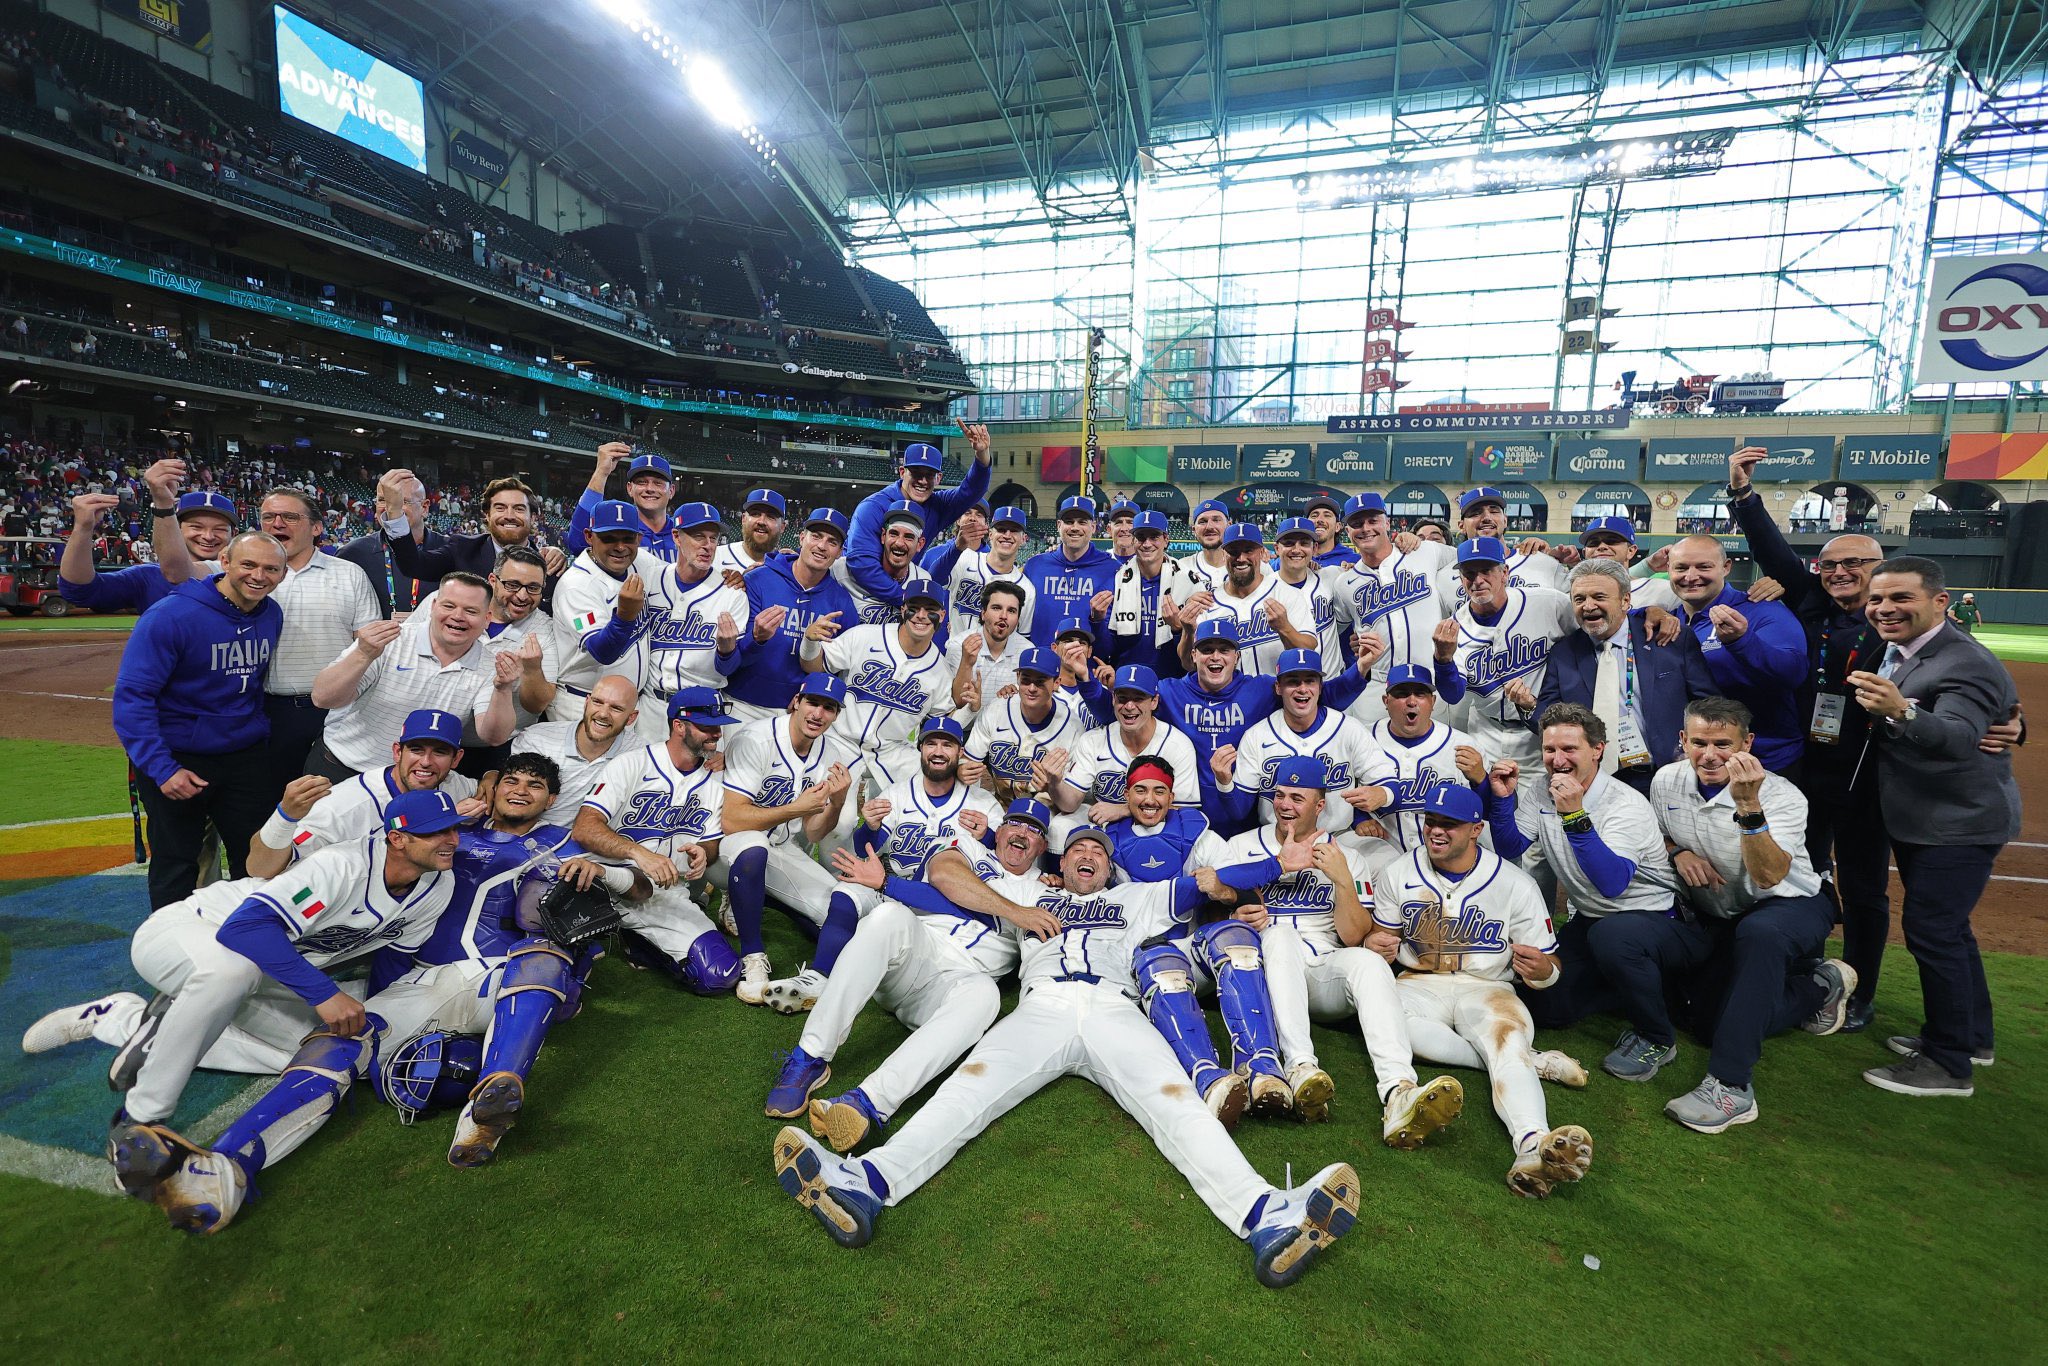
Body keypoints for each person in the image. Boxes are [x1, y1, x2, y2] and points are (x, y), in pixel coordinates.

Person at [768, 827, 1362, 1289]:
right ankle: (867, 1181)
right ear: (1062, 862)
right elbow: (947, 873)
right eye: (1078, 849)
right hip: (1040, 1007)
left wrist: (1281, 865)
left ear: (1110, 866)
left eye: (1099, 853)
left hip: (1114, 1009)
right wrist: (1019, 909)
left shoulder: (1137, 896)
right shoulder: (1026, 890)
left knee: (1176, 1104)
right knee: (966, 1089)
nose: (1088, 857)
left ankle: (1265, 1215)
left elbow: (1209, 882)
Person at [94, 788, 462, 1230]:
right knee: (233, 973)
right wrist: (324, 995)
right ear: (398, 838)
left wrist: (373, 1028)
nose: (451, 840)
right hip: (190, 932)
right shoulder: (342, 866)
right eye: (435, 833)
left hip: (263, 972)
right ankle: (138, 1122)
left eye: (453, 828)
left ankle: (134, 1020)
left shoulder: (438, 883)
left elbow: (395, 957)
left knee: (325, 1054)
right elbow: (245, 930)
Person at [763, 801, 1058, 1149]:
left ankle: (868, 1102)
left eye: (1034, 830)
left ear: (1041, 847)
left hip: (953, 986)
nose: (1023, 833)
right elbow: (945, 878)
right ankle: (810, 1056)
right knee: (888, 916)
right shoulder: (967, 846)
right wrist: (1017, 914)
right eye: (1015, 824)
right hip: (915, 952)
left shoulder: (1047, 892)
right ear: (1000, 831)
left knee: (986, 996)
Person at [1368, 782, 1595, 1199]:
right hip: (1417, 984)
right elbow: (1381, 938)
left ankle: (1533, 1146)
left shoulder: (1515, 884)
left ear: (1476, 829)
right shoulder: (1399, 873)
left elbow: (1550, 968)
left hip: (1488, 989)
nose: (1436, 831)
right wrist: (1374, 945)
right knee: (1388, 1023)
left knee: (1506, 1042)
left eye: (1449, 825)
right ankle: (1536, 1061)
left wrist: (1544, 970)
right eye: (1430, 821)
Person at [1849, 558, 2021, 1098]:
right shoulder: (1903, 649)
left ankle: (1948, 1065)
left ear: (1940, 602)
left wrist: (1902, 711)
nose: (1884, 609)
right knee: (1952, 931)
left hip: (1958, 821)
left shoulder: (1962, 660)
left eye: (1901, 598)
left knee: (1934, 932)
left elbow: (1959, 736)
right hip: (1932, 816)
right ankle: (1971, 1038)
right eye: (1877, 600)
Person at [1648, 698, 1858, 1132]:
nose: (1710, 755)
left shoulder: (1782, 796)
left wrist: (1748, 806)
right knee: (1707, 1024)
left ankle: (1731, 1086)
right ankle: (1819, 987)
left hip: (1790, 905)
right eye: (1700, 742)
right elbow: (1660, 835)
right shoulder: (1666, 780)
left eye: (1723, 744)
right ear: (1683, 741)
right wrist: (1678, 851)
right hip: (1726, 913)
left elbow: (1768, 875)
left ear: (1748, 744)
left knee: (1760, 935)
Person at [1233, 758, 1466, 1145]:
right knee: (1280, 934)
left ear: (1319, 805)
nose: (1285, 805)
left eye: (1297, 797)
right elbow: (1216, 909)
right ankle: (1301, 1066)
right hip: (1267, 970)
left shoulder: (1349, 857)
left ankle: (1399, 1090)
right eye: (1279, 795)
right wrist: (1237, 914)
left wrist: (1342, 880)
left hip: (1322, 969)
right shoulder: (1242, 846)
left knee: (1369, 962)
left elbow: (1355, 936)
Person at [761, 716, 1003, 1014]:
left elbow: (1002, 865)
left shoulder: (983, 803)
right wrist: (871, 827)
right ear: (920, 749)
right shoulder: (898, 794)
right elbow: (867, 849)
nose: (938, 751)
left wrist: (989, 836)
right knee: (846, 891)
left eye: (947, 745)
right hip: (894, 891)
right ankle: (819, 977)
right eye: (931, 743)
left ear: (960, 753)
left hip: (947, 906)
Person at [1487, 705, 1681, 1055]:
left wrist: (1575, 815)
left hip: (1652, 919)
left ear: (1597, 750)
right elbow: (1510, 844)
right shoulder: (1542, 790)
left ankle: (1658, 1037)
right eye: (1549, 749)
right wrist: (1502, 801)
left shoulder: (1625, 804)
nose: (1557, 759)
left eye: (1569, 749)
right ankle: (1622, 986)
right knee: (1545, 1006)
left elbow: (1612, 884)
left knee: (1613, 938)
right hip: (1593, 920)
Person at [113, 531, 287, 908]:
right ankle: (172, 949)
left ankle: (254, 940)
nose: (259, 575)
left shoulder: (270, 613)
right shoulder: (170, 615)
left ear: (283, 575)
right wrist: (162, 769)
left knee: (258, 857)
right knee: (177, 861)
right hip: (179, 759)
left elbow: (253, 685)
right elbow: (132, 698)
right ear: (225, 562)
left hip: (245, 757)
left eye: (271, 568)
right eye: (249, 564)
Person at [569, 688, 744, 992]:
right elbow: (584, 828)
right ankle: (613, 926)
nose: (715, 734)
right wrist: (638, 853)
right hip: (600, 881)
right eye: (706, 727)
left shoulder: (716, 781)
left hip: (662, 893)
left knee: (720, 974)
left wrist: (703, 852)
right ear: (679, 726)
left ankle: (637, 943)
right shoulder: (632, 764)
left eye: (718, 727)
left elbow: (712, 842)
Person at [718, 674, 857, 1002]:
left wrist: (836, 803)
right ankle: (753, 958)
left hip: (778, 845)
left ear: (837, 715)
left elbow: (813, 832)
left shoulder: (829, 751)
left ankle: (756, 898)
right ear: (797, 701)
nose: (818, 714)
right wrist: (795, 808)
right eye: (812, 703)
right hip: (725, 846)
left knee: (837, 913)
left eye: (829, 708)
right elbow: (732, 819)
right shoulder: (755, 738)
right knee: (753, 850)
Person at [310, 571, 520, 778]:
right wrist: (363, 654)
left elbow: (494, 736)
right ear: (433, 606)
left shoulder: (491, 664)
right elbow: (322, 698)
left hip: (416, 783)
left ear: (487, 619)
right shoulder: (389, 641)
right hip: (344, 767)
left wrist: (503, 689)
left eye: (471, 611)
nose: (457, 616)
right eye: (449, 606)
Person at [1535, 559, 1714, 797]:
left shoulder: (1669, 639)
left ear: (1625, 601)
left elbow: (1708, 705)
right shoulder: (1564, 652)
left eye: (1599, 597)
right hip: (1593, 780)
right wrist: (1528, 706)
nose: (1588, 606)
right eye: (1579, 599)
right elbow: (1548, 715)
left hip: (1665, 775)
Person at [251, 487, 383, 790]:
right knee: (269, 806)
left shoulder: (349, 574)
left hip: (336, 712)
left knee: (329, 806)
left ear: (317, 527)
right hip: (269, 711)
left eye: (290, 516)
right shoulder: (251, 578)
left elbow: (369, 647)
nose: (277, 523)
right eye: (268, 517)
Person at [245, 708, 480, 877]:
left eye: (440, 752)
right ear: (397, 751)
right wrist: (285, 816)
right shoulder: (344, 806)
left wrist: (489, 779)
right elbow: (260, 869)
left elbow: (493, 789)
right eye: (416, 750)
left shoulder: (452, 785)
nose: (426, 762)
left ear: (456, 759)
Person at [802, 572, 967, 800]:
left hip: (892, 752)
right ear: (903, 609)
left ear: (941, 615)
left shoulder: (940, 670)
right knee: (840, 826)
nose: (921, 616)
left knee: (950, 782)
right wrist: (810, 642)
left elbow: (942, 719)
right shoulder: (865, 636)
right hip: (840, 742)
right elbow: (815, 666)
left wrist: (971, 709)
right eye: (914, 607)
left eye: (930, 610)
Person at [1444, 537, 1574, 802]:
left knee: (1545, 812)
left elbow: (1594, 634)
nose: (1477, 579)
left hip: (1539, 732)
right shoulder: (1454, 626)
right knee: (1489, 814)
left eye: (1486, 571)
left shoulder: (1549, 603)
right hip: (1484, 731)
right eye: (1469, 573)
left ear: (1505, 573)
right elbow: (1451, 694)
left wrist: (1649, 614)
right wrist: (1441, 659)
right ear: (1460, 579)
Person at [1667, 534, 1808, 774]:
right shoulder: (1670, 619)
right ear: (1668, 570)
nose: (1690, 576)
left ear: (1726, 567)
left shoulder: (1762, 610)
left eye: (1704, 567)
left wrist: (1742, 641)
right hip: (1700, 762)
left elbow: (1793, 673)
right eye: (1681, 567)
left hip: (1765, 761)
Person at [1218, 649, 1394, 839]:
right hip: (1277, 839)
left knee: (1381, 857)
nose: (1302, 689)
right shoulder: (1257, 736)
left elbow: (1391, 784)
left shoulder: (1349, 729)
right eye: (1293, 681)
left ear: (1320, 686)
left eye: (1310, 680)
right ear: (1278, 687)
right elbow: (1239, 811)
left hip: (1339, 836)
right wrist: (1224, 783)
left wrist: (1383, 793)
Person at [1326, 493, 1455, 719]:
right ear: (1347, 532)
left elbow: (1475, 558)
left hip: (1429, 681)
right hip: (1376, 687)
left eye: (1372, 520)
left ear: (1387, 523)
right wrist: (1353, 642)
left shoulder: (1426, 552)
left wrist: (1530, 551)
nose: (1365, 528)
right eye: (1356, 524)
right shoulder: (1344, 583)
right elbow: (1333, 631)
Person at [844, 423, 992, 613]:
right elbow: (861, 563)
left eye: (929, 475)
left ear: (939, 478)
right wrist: (906, 598)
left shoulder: (937, 505)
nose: (922, 481)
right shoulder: (872, 507)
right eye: (916, 473)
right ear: (902, 472)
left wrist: (982, 455)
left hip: (900, 598)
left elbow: (972, 491)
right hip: (860, 594)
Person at [728, 507, 857, 724]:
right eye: (816, 536)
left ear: (840, 553)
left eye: (832, 542)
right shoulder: (757, 580)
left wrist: (812, 696)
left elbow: (842, 668)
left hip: (797, 713)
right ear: (802, 538)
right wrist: (757, 638)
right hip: (743, 703)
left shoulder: (842, 602)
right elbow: (733, 654)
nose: (822, 546)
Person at [548, 499, 670, 720]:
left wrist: (735, 576)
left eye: (628, 538)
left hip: (631, 703)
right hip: (583, 703)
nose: (620, 547)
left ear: (639, 539)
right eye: (609, 538)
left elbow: (679, 575)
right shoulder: (576, 585)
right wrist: (625, 615)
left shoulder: (639, 561)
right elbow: (602, 651)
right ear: (589, 537)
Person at [635, 502, 750, 735]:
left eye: (713, 538)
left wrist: (727, 650)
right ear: (676, 536)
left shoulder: (732, 593)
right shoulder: (650, 578)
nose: (708, 546)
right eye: (698, 536)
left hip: (702, 711)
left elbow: (729, 669)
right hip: (651, 705)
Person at [377, 470, 567, 602]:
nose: (509, 515)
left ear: (533, 517)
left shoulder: (550, 564)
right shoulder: (462, 549)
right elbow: (413, 565)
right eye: (500, 507)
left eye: (518, 509)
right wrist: (395, 512)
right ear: (487, 514)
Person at [1053, 665, 1201, 828]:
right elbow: (1069, 803)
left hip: (1156, 830)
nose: (1129, 706)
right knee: (1061, 826)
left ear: (1154, 702)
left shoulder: (1177, 745)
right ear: (1113, 699)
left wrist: (1126, 809)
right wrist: (1054, 782)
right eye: (1122, 698)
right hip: (1104, 831)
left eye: (1138, 698)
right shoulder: (1093, 740)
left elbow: (1185, 812)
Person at [1365, 665, 1488, 856]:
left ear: (1433, 701)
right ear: (1386, 701)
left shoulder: (1463, 745)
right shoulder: (1362, 740)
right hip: (1384, 856)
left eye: (1420, 694)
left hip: (1448, 857)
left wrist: (1481, 781)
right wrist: (1358, 819)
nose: (1411, 701)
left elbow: (1488, 813)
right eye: (1401, 694)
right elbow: (1340, 794)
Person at [1183, 523, 1316, 677]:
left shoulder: (1287, 594)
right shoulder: (1207, 602)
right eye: (1234, 552)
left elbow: (1308, 649)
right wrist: (1187, 631)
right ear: (1224, 554)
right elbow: (1188, 664)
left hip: (1277, 696)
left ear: (1261, 552)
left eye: (1248, 551)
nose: (1241, 558)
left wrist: (1285, 628)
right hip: (1229, 699)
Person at [962, 646, 1091, 804]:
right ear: (1017, 677)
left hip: (1046, 814)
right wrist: (961, 769)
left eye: (1040, 682)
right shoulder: (996, 710)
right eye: (1026, 680)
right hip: (999, 805)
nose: (1031, 688)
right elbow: (968, 761)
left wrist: (1054, 787)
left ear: (1056, 683)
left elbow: (1071, 804)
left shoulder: (1073, 728)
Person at [510, 675, 642, 827]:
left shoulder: (642, 755)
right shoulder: (537, 739)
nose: (603, 714)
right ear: (586, 703)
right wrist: (490, 775)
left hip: (596, 847)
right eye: (597, 702)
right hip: (532, 841)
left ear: (631, 717)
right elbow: (509, 795)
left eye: (616, 708)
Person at [1104, 509, 1205, 675]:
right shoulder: (1117, 580)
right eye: (1141, 537)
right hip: (1127, 680)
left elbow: (1197, 649)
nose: (1147, 543)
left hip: (1174, 681)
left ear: (1165, 539)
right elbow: (1110, 641)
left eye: (1154, 537)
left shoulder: (1189, 583)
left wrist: (1178, 628)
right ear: (1134, 540)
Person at [338, 473, 448, 615]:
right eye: (383, 500)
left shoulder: (451, 553)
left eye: (402, 501)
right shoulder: (352, 555)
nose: (391, 508)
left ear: (425, 508)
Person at [1433, 489, 1565, 606]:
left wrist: (1574, 561)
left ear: (1505, 521)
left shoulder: (1544, 563)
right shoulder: (1444, 577)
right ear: (1461, 526)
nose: (1486, 517)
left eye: (1494, 511)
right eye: (1475, 513)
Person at [1022, 495, 1118, 648]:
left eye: (1082, 522)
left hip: (1087, 665)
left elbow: (1115, 634)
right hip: (1039, 666)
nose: (1075, 527)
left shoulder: (1112, 569)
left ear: (1093, 527)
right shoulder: (1035, 566)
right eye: (1069, 522)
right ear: (1058, 525)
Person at [933, 504, 1033, 643]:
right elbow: (934, 580)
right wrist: (956, 548)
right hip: (956, 657)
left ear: (1023, 539)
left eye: (1014, 531)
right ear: (990, 534)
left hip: (998, 662)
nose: (1007, 535)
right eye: (1001, 529)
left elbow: (1022, 638)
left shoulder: (1027, 589)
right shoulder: (965, 558)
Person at [563, 445, 681, 561]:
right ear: (630, 489)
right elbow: (578, 545)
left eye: (658, 483)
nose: (649, 488)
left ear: (671, 491)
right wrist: (601, 472)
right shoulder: (618, 532)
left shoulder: (684, 533)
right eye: (641, 482)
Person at [946, 581, 1032, 718]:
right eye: (997, 608)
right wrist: (966, 663)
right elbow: (957, 703)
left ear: (1018, 618)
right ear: (983, 613)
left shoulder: (1027, 651)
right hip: (964, 729)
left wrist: (1014, 697)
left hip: (1006, 730)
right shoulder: (958, 645)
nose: (1004, 615)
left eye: (1011, 610)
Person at [1577, 517, 1678, 612]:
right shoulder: (1574, 592)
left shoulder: (1662, 590)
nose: (1602, 546)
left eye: (1612, 541)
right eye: (1593, 543)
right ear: (1585, 552)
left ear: (1630, 551)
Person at [714, 488, 789, 575]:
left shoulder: (789, 568)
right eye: (755, 514)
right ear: (743, 519)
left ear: (782, 527)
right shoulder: (715, 557)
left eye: (771, 516)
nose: (761, 521)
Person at [1177, 498, 1231, 590]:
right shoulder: (1182, 567)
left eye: (1216, 520)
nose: (1209, 527)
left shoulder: (1246, 566)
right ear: (1194, 530)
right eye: (1203, 521)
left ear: (1229, 526)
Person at [1302, 493, 1358, 568]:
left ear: (1337, 527)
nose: (1319, 520)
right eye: (1314, 516)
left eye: (1327, 515)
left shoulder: (1355, 561)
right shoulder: (1291, 560)